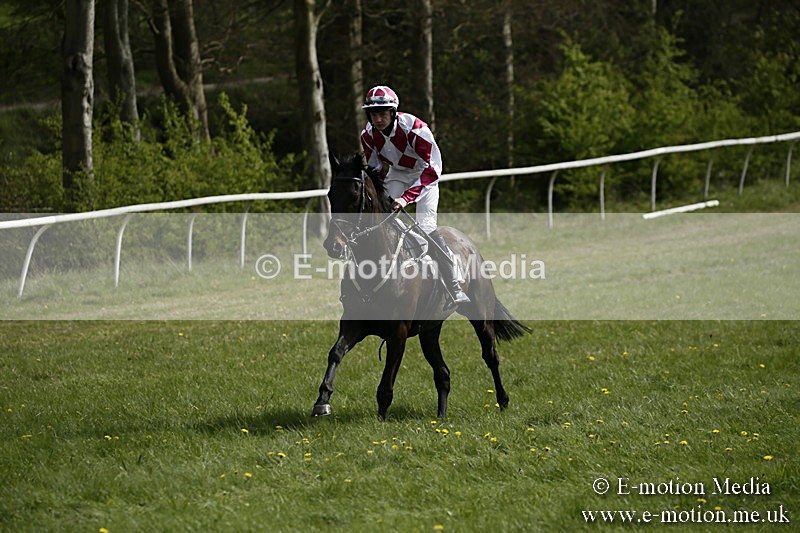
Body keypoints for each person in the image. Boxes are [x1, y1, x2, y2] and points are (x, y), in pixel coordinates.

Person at [359, 85, 470, 306]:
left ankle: (454, 283)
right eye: (373, 114)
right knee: (381, 219)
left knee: (426, 228)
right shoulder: (368, 135)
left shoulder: (416, 129)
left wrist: (406, 198)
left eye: (382, 113)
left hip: (425, 176)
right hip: (399, 175)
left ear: (393, 112)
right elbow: (375, 168)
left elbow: (433, 169)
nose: (378, 119)